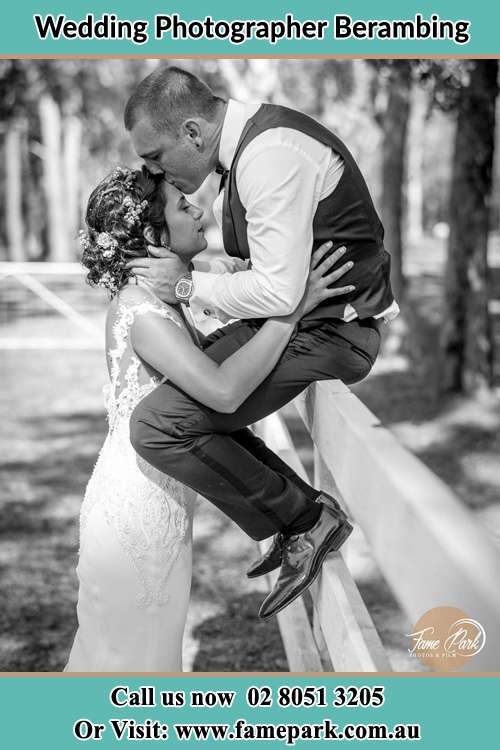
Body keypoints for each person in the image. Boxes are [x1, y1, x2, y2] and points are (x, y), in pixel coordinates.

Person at [124, 66, 399, 620]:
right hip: (302, 322)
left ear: (194, 133)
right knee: (186, 398)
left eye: (155, 155)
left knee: (159, 426)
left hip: (332, 330)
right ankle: (298, 515)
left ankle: (305, 519)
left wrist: (184, 283)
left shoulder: (270, 154)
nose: (152, 170)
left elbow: (278, 290)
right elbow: (272, 273)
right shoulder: (245, 151)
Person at [64, 166, 353, 671]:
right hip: (136, 512)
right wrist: (291, 312)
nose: (198, 209)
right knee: (130, 663)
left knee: (144, 657)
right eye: (182, 205)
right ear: (155, 237)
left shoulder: (158, 301)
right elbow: (222, 392)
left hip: (160, 497)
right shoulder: (141, 311)